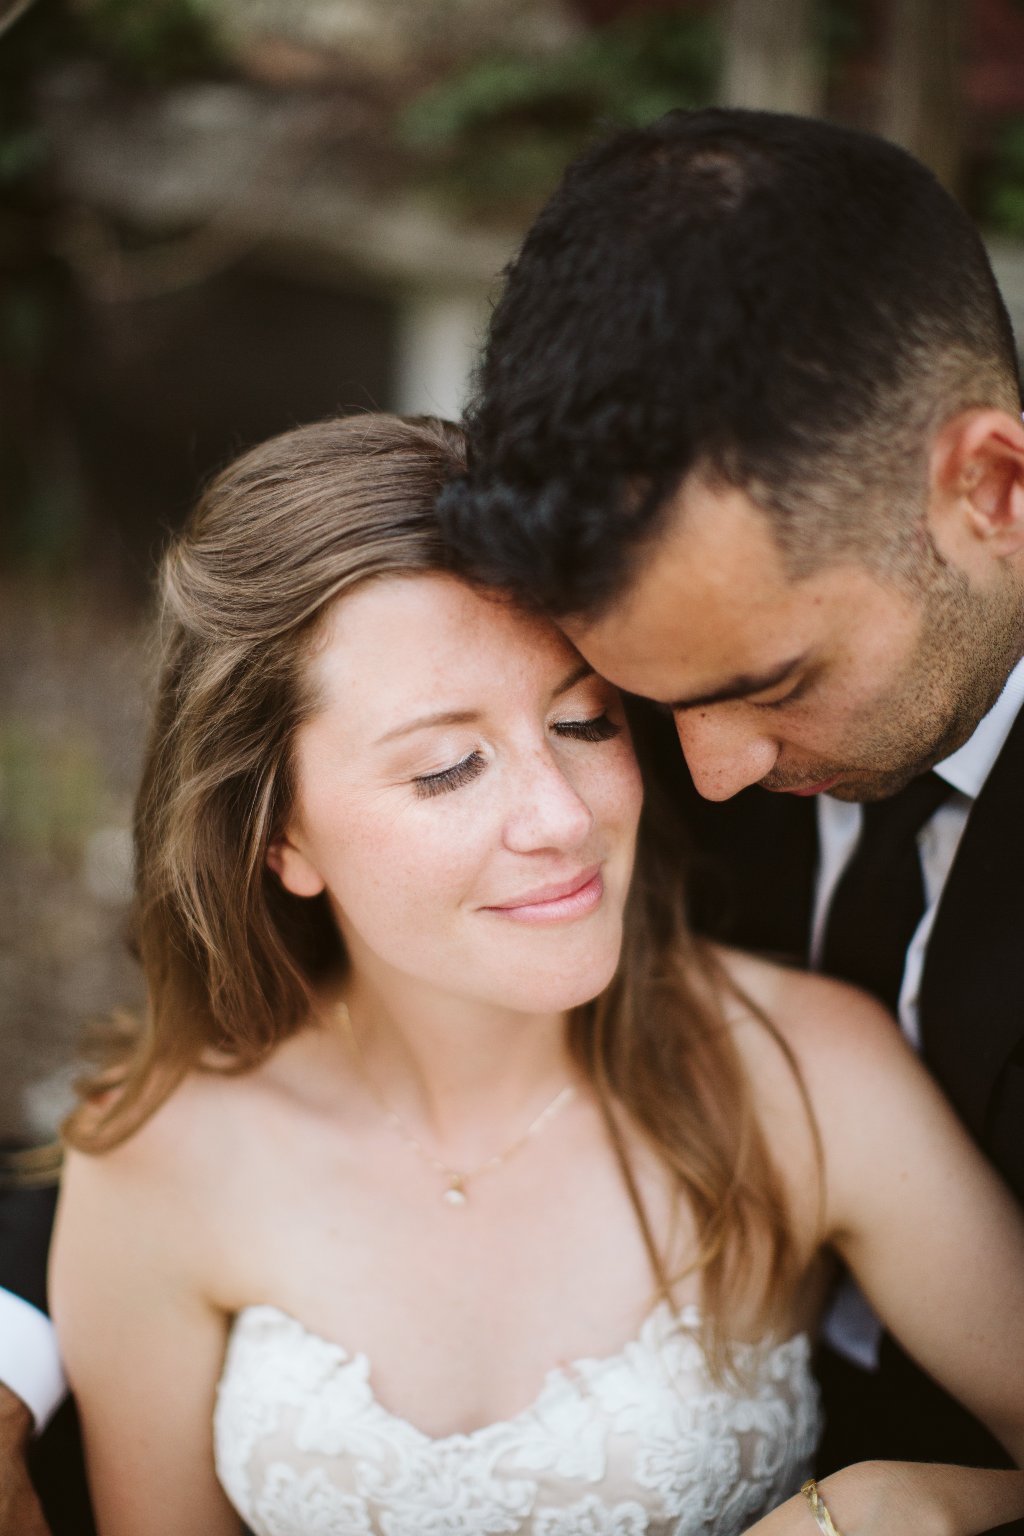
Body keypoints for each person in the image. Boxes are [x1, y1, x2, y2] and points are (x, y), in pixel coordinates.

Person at [39, 411, 1024, 1536]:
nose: (563, 818)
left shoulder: (806, 1076)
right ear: (280, 839)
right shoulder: (159, 1161)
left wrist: (907, 1504)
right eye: (448, 768)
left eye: (584, 724)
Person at [436, 106, 1024, 1492]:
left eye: (773, 680)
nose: (704, 772)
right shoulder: (636, 654)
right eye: (645, 699)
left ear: (990, 492)